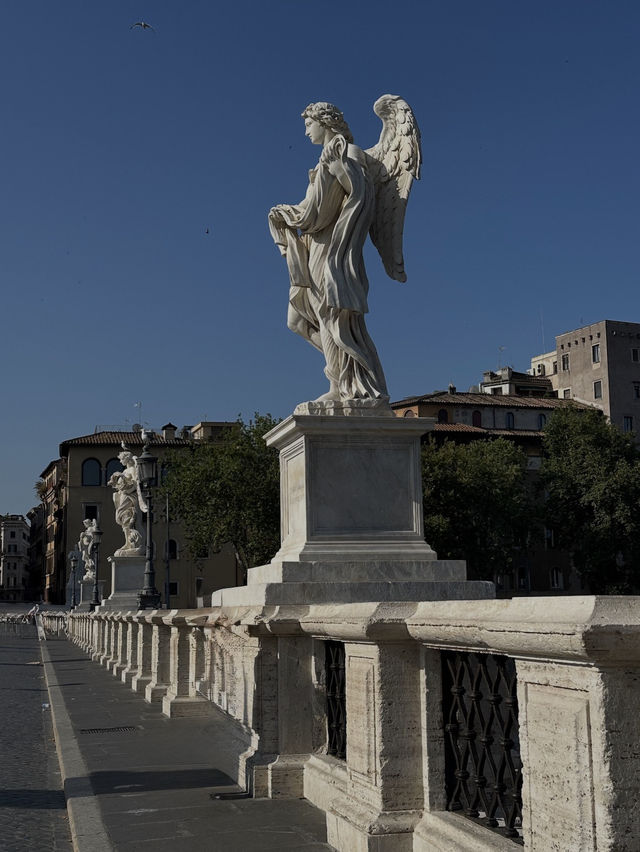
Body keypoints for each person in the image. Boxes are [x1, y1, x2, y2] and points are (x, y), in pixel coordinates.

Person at [269, 102, 388, 404]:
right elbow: (312, 211)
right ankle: (350, 373)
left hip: (332, 250)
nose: (306, 130)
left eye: (309, 123)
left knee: (330, 316)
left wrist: (342, 171)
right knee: (297, 322)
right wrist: (288, 214)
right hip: (313, 245)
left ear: (325, 122)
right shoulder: (326, 157)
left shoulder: (348, 153)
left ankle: (343, 384)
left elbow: (363, 198)